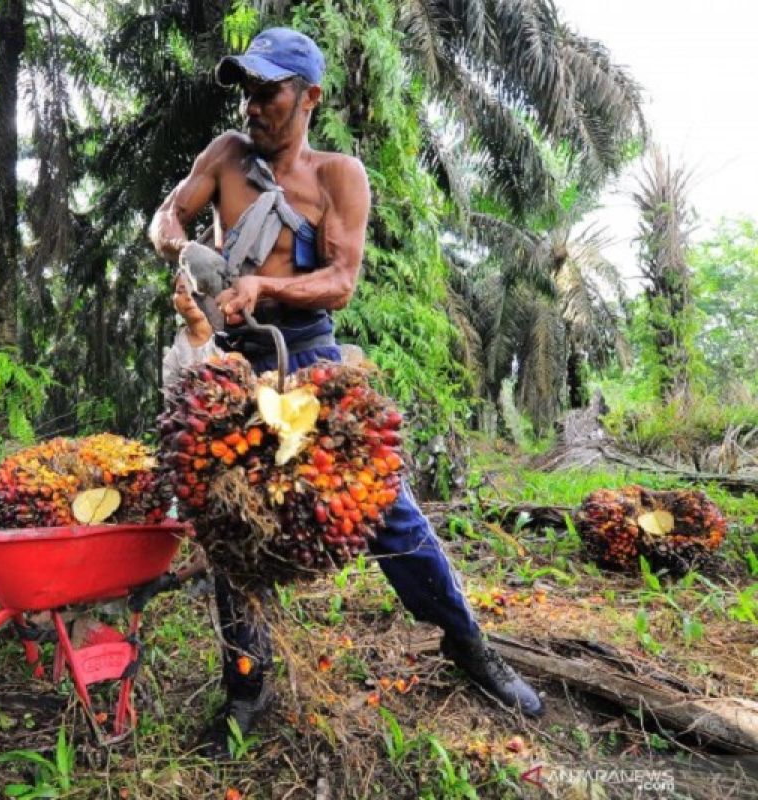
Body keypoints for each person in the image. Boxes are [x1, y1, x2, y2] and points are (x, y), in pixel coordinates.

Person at [149, 27, 543, 757]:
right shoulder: (225, 156)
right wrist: (181, 246)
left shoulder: (338, 177)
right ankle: (246, 682)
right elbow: (167, 214)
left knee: (388, 513)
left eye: (268, 92)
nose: (253, 105)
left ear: (309, 98)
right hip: (232, 363)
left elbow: (341, 280)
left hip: (309, 357)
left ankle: (469, 647)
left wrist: (266, 283)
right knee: (233, 517)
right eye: (246, 90)